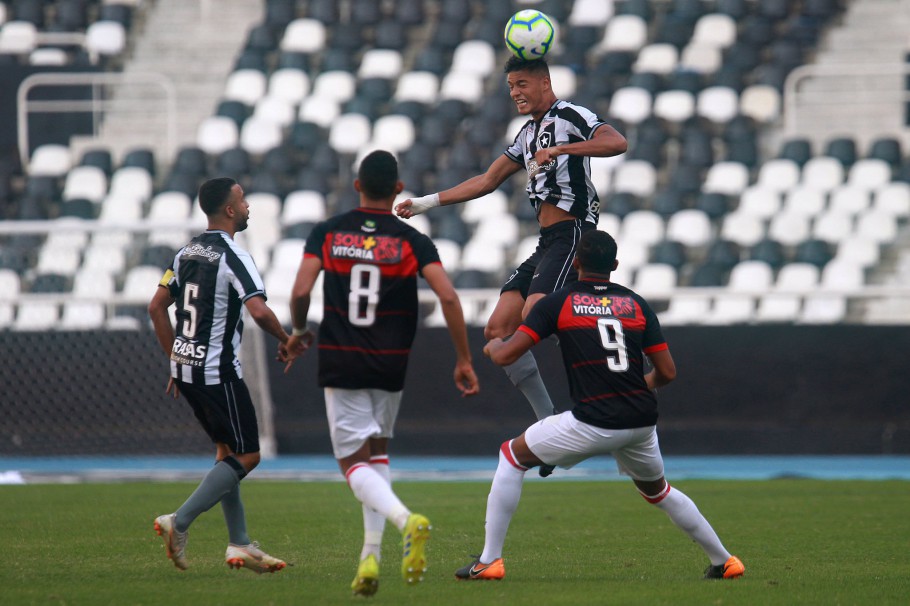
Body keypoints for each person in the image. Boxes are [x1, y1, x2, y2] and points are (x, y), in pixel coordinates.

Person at [454, 230, 745, 582]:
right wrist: (640, 386)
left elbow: (506, 354)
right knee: (659, 491)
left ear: (575, 264)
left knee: (511, 456)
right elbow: (667, 372)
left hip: (594, 420)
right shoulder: (636, 303)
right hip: (640, 421)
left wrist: (491, 348)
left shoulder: (559, 302)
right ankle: (725, 560)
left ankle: (489, 561)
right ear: (616, 265)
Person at [396, 57, 627, 475]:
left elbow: (616, 142)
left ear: (545, 82)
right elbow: (486, 181)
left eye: (521, 83)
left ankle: (601, 391)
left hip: (573, 234)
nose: (515, 92)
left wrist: (562, 149)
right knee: (498, 330)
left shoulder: (570, 116)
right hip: (546, 243)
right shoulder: (526, 135)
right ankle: (549, 425)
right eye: (509, 86)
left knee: (533, 314)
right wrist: (425, 202)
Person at [283, 150, 480, 596]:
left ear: (356, 186)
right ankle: (369, 557)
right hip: (391, 361)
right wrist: (464, 359)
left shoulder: (328, 232)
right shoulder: (411, 240)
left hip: (341, 356)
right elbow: (448, 298)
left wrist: (297, 330)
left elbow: (300, 290)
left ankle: (405, 521)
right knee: (377, 454)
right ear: (397, 189)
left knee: (352, 464)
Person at [148, 177, 304, 573]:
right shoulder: (235, 256)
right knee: (249, 455)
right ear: (231, 210)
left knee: (225, 453)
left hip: (186, 368)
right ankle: (178, 521)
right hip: (217, 371)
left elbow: (156, 307)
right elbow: (260, 312)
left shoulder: (186, 253)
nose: (248, 205)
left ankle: (239, 544)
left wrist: (175, 358)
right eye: (243, 200)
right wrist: (287, 339)